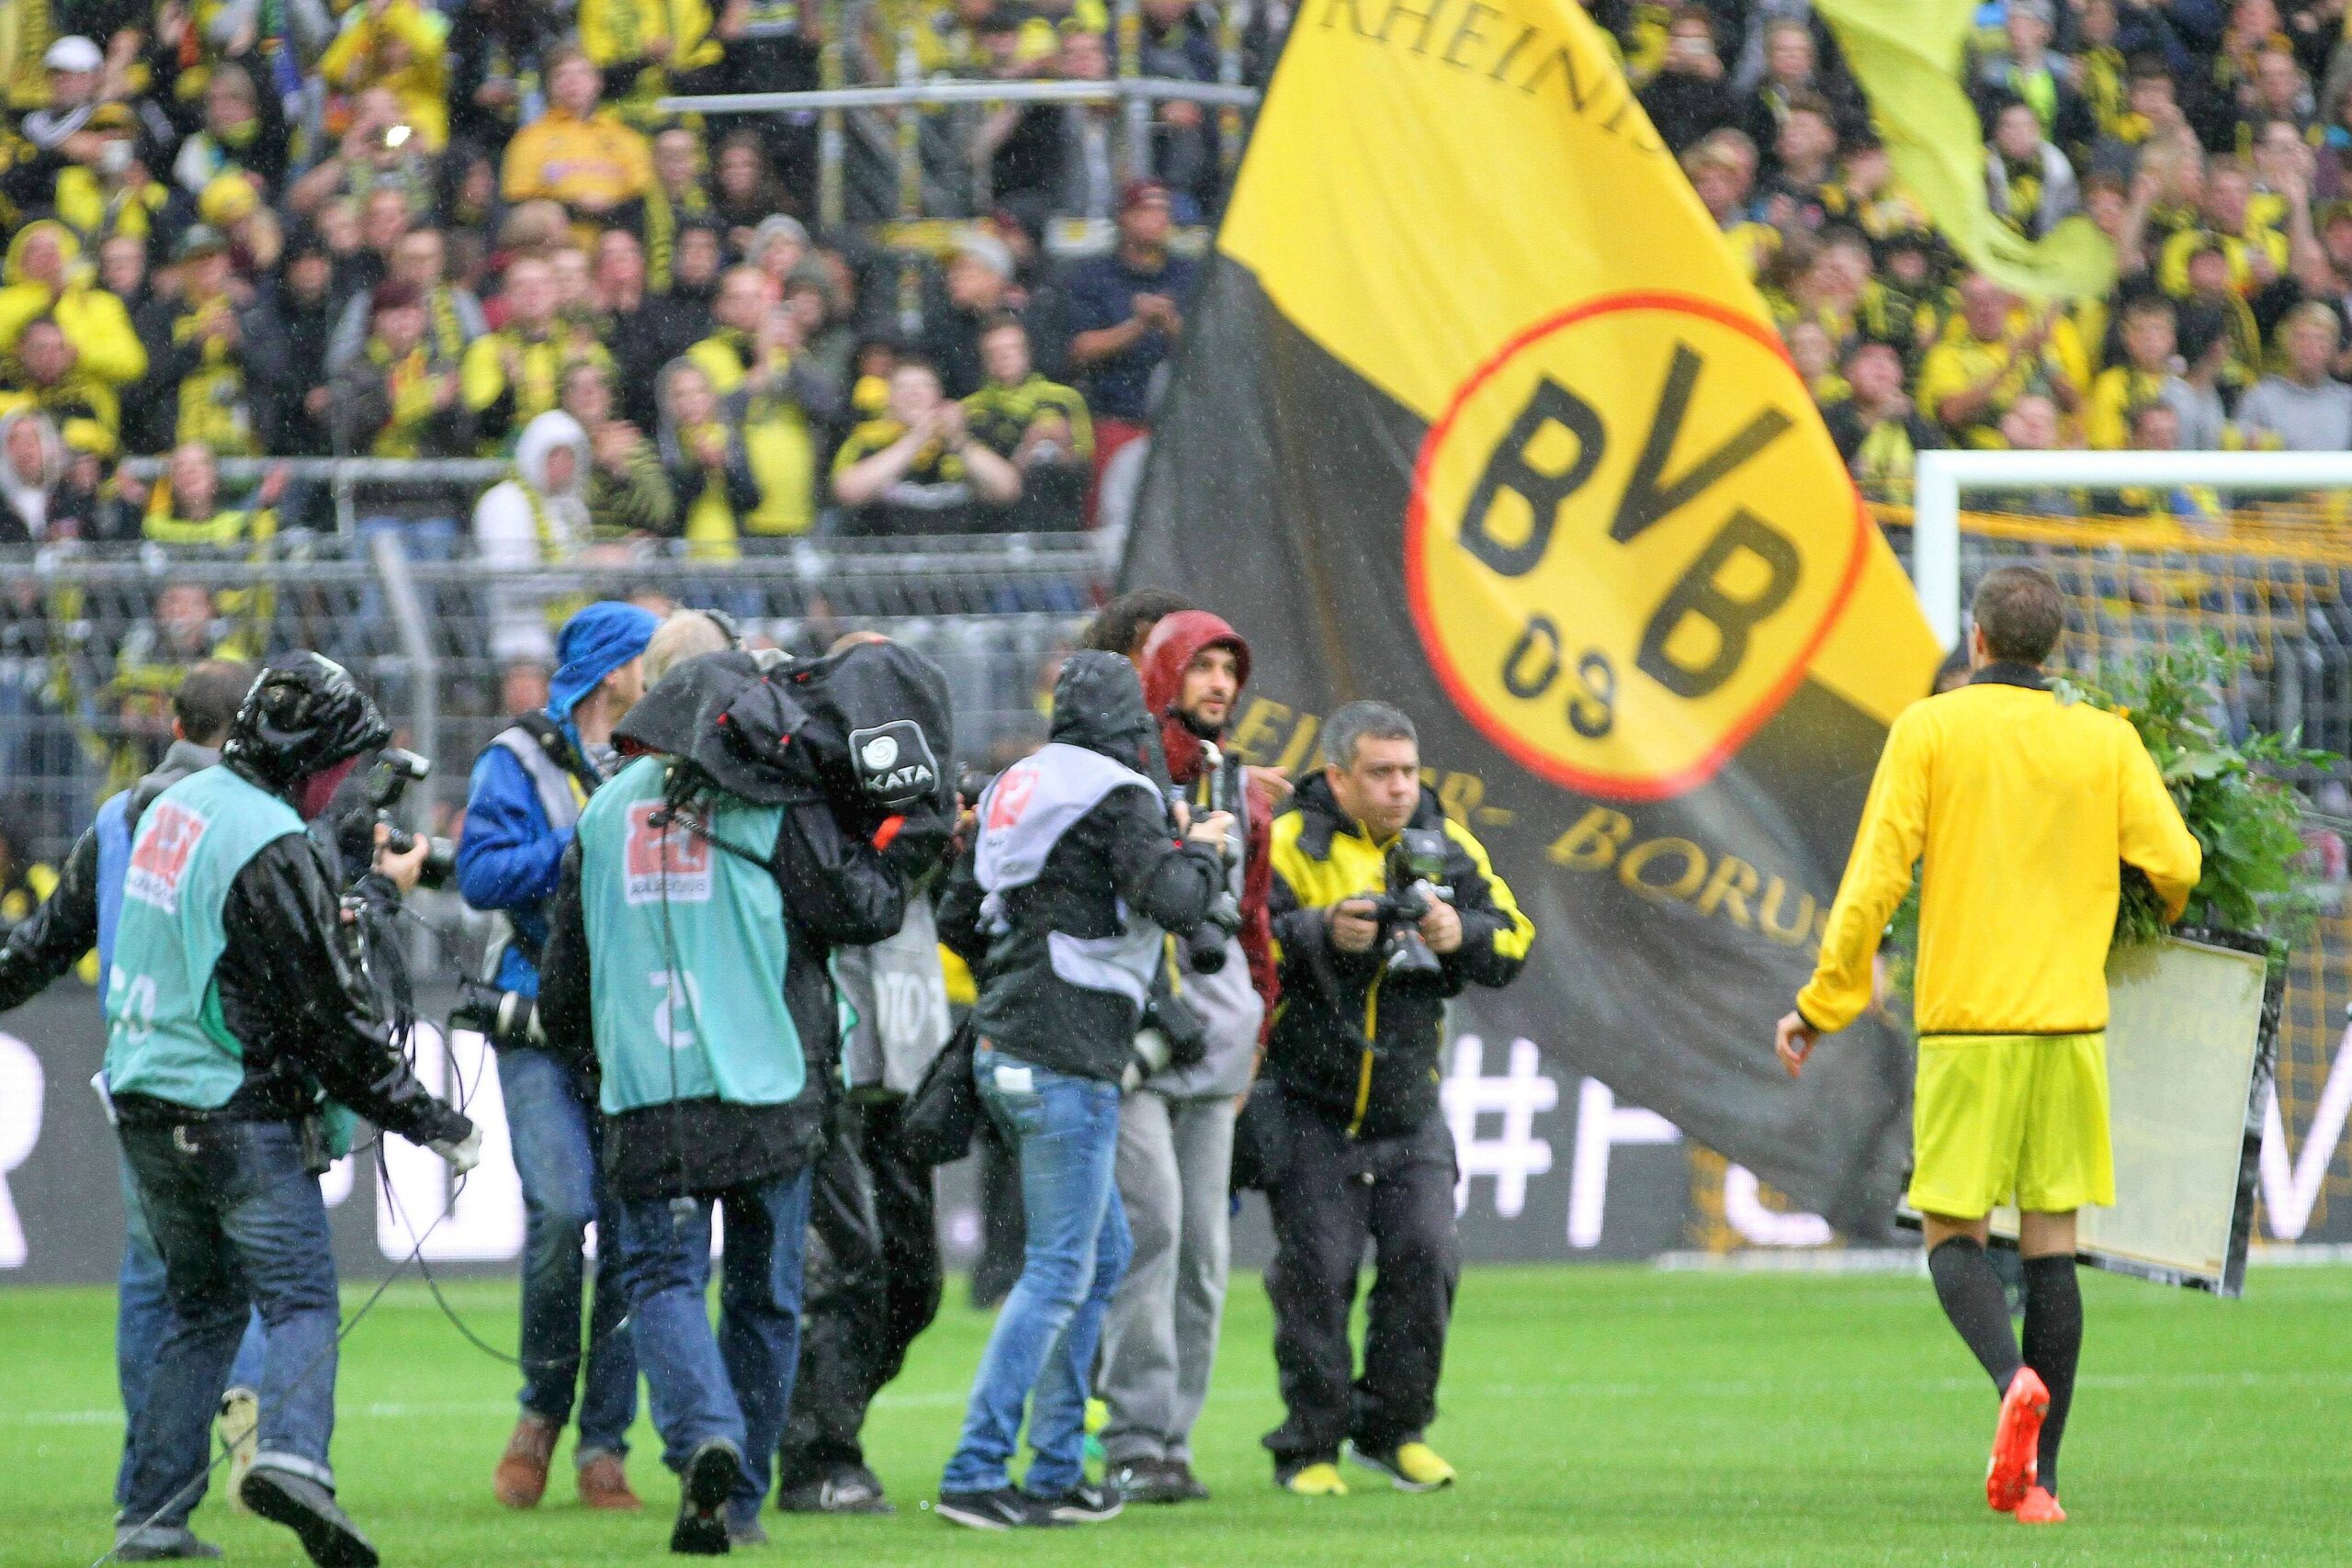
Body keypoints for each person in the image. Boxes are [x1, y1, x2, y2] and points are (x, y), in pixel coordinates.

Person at [1775, 566, 2203, 1527]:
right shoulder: (2105, 738)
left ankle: (2010, 1380)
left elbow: (1874, 876)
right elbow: (2176, 860)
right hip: (2068, 1026)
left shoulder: (1929, 728)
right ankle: (2037, 1483)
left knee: (1950, 1238)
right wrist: (2153, 911)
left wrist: (1823, 1001)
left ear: (1974, 642)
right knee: (2051, 1249)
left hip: (1969, 1024)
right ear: (2053, 649)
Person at [537, 647, 948, 1551]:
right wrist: (916, 829)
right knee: (767, 1298)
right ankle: (744, 1497)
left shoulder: (603, 813)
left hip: (653, 1095)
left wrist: (596, 1059)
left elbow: (563, 985)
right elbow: (864, 910)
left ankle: (702, 1438)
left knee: (660, 1278)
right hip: (772, 1090)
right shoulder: (773, 806)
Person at [100, 652, 481, 1563]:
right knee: (301, 1298)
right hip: (234, 1108)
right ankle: (295, 1462)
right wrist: (433, 1120)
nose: (346, 783)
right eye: (341, 764)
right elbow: (330, 1024)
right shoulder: (270, 841)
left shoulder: (168, 808)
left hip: (142, 1097)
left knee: (198, 1311)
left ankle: (150, 1521)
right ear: (311, 759)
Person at [933, 650, 1232, 1529]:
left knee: (1097, 1255)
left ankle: (1059, 1466)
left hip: (1007, 1042)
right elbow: (1173, 897)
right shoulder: (1119, 790)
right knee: (1064, 1267)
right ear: (1133, 721)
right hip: (1070, 1055)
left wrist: (1025, 973)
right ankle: (977, 1466)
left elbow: (959, 915)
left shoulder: (1012, 785)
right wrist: (1204, 850)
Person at [0, 660, 266, 1518]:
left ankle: (149, 1482)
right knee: (254, 1260)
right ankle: (252, 1411)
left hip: (133, 1068)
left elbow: (45, 941)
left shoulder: (116, 816)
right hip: (224, 1067)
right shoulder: (250, 817)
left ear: (173, 721)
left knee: (153, 1273)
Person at [1260, 701, 1533, 1496]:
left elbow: (1514, 937)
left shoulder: (1446, 844)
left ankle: (1392, 1432)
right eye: (1380, 773)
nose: (1399, 789)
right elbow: (1248, 936)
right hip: (1310, 1098)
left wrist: (1460, 934)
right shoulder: (1289, 842)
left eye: (1409, 772)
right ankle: (1307, 1447)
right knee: (1318, 1271)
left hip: (1411, 1101)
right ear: (1338, 776)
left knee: (1426, 1258)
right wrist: (1319, 930)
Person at [456, 601, 660, 1515]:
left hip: (629, 1023)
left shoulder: (663, 754)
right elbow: (480, 873)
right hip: (536, 1015)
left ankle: (603, 1446)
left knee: (629, 1234)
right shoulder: (518, 759)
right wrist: (582, 844)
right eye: (647, 659)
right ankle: (540, 1412)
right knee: (561, 1210)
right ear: (615, 674)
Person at [1098, 611, 1279, 1505]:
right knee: (1152, 1230)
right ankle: (1129, 1436)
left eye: (1227, 669)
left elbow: (1253, 925)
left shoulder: (1244, 792)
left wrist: (1259, 1032)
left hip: (1215, 1047)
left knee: (1204, 1252)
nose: (1218, 684)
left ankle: (1172, 1441)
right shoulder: (1119, 782)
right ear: (1163, 674)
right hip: (1132, 1041)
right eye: (1201, 666)